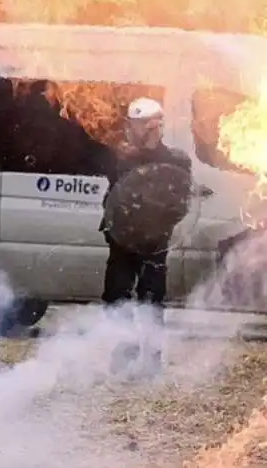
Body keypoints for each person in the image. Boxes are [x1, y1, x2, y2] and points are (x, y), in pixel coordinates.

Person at [99, 97, 192, 374]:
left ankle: (152, 363)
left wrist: (160, 225)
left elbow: (179, 203)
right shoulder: (120, 157)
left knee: (151, 300)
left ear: (156, 125)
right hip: (122, 240)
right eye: (134, 124)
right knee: (117, 298)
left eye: (142, 124)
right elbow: (116, 196)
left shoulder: (176, 160)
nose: (135, 129)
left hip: (154, 241)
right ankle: (122, 358)